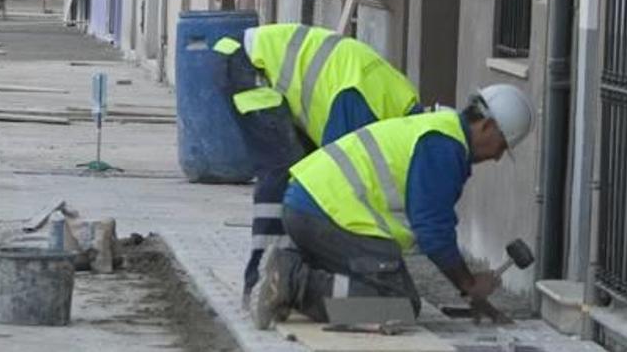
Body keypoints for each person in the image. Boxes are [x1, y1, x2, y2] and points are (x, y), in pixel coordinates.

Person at [251, 84, 534, 329]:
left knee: (386, 287)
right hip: (327, 213)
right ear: (487, 126)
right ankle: (295, 283)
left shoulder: (437, 127)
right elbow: (433, 232)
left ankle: (294, 272)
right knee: (398, 306)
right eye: (501, 146)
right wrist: (469, 285)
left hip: (311, 206)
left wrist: (468, 285)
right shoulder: (444, 147)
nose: (497, 157)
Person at [211, 23, 422, 306]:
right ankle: (260, 280)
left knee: (305, 176)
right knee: (282, 171)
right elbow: (336, 187)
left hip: (255, 63)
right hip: (247, 64)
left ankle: (289, 274)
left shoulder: (397, 111)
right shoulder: (364, 106)